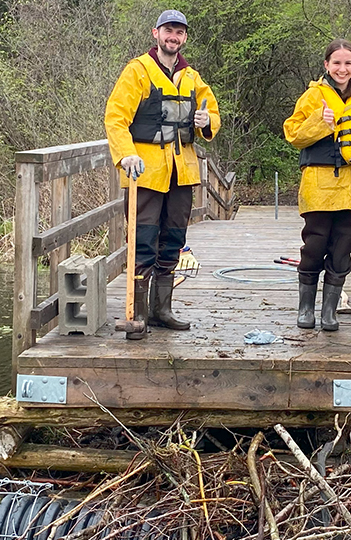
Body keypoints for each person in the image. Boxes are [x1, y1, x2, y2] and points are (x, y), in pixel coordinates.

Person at [104, 9, 221, 340]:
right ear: (156, 33)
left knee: (173, 241)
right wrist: (126, 153)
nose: (174, 36)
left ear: (184, 38)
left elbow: (213, 113)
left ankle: (161, 310)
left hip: (182, 172)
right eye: (169, 30)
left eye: (179, 32)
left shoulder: (192, 77)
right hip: (146, 172)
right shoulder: (137, 72)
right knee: (143, 242)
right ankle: (137, 314)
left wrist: (207, 122)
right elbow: (115, 117)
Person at [283, 39, 351, 332]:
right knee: (314, 244)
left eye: (348, 63)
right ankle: (306, 309)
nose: (342, 69)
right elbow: (293, 134)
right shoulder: (312, 97)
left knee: (342, 247)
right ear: (326, 65)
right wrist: (321, 121)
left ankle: (329, 311)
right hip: (319, 184)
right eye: (336, 63)